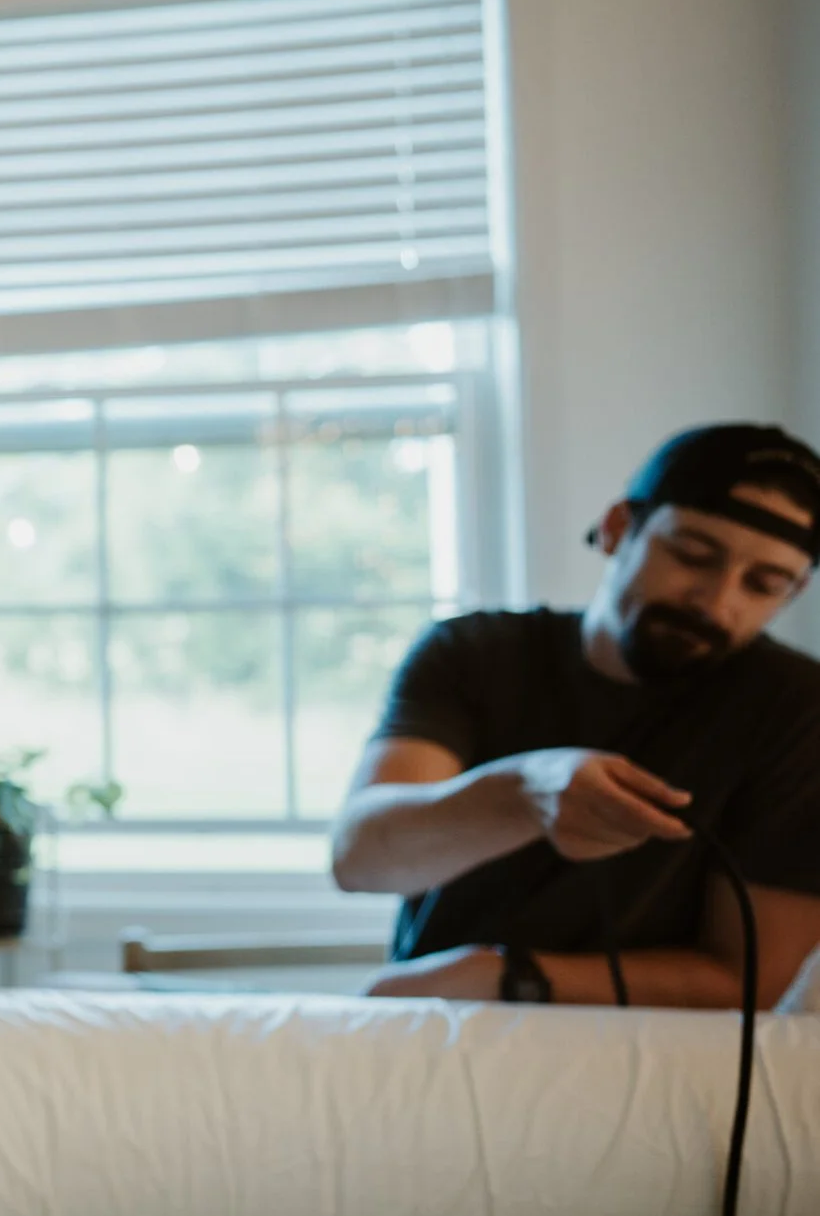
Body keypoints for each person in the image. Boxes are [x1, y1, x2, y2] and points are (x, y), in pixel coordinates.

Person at [332, 423, 820, 1007]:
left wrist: (505, 976)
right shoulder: (472, 654)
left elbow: (752, 977)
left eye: (763, 585)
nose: (717, 603)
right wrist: (523, 793)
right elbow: (360, 859)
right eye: (692, 555)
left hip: (654, 1048)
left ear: (794, 593)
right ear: (617, 529)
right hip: (439, 1029)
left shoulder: (798, 709)